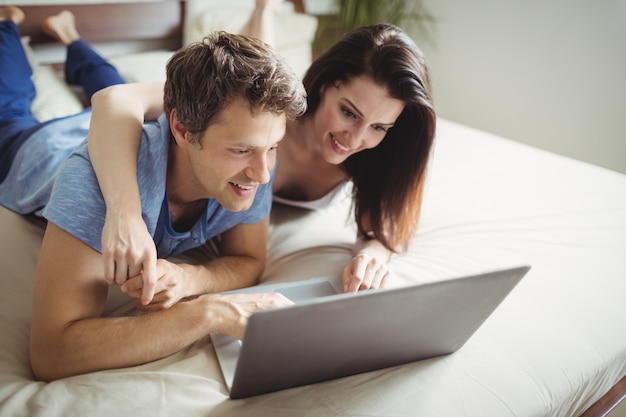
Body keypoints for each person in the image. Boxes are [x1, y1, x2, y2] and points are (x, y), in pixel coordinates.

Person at [0, 6, 307, 381]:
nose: (263, 173)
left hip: (119, 127)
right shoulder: (92, 185)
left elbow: (248, 259)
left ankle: (72, 39)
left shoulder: (253, 166)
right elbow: (52, 353)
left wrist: (192, 280)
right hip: (42, 146)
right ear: (180, 127)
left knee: (108, 79)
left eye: (273, 147)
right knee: (14, 108)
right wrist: (209, 312)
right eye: (240, 149)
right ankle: (8, 27)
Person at [87, 2, 436, 303]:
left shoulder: (373, 154)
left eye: (379, 127)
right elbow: (114, 100)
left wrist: (373, 254)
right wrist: (125, 215)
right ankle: (77, 44)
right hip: (111, 125)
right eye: (348, 112)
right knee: (103, 84)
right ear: (326, 85)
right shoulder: (273, 112)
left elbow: (383, 227)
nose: (356, 138)